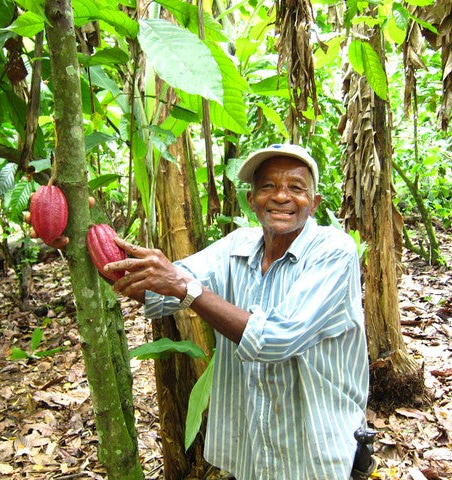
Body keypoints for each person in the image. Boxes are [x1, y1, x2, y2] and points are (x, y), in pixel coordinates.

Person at [105, 144, 370, 480]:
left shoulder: (334, 252)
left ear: (314, 203)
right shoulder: (236, 247)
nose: (281, 196)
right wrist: (82, 230)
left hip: (313, 449)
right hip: (253, 449)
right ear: (251, 200)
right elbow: (153, 285)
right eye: (268, 186)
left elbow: (274, 340)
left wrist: (186, 288)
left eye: (296, 187)